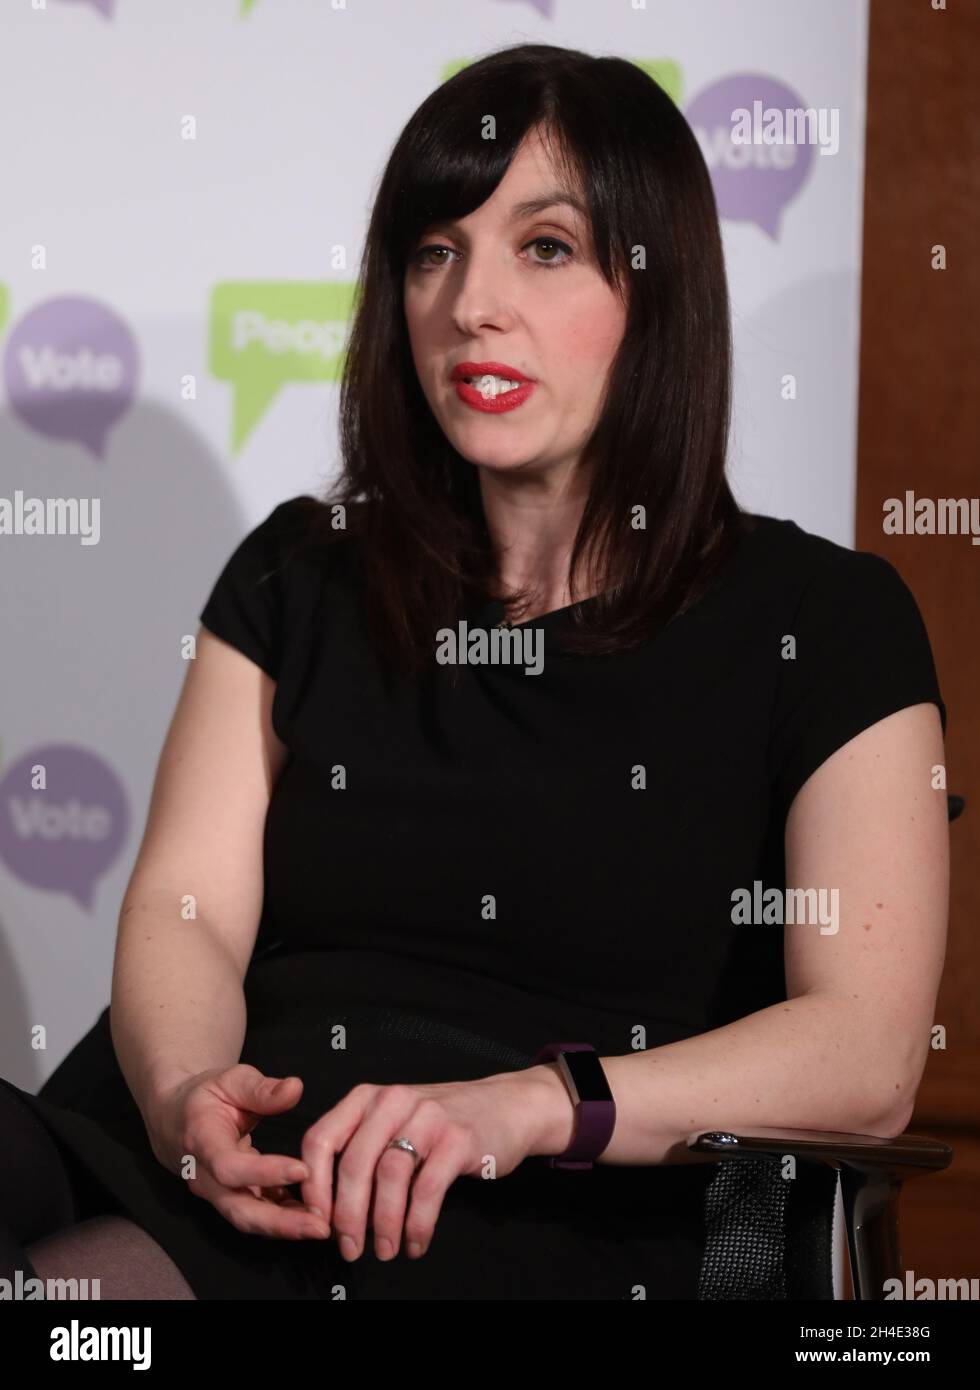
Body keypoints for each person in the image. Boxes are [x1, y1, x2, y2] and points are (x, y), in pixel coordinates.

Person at [0, 42, 949, 1301]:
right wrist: (185, 1094)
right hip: (207, 1156)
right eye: (434, 250)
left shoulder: (827, 621)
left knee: (79, 1310)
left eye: (543, 247)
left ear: (656, 288)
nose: (469, 304)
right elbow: (190, 910)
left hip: (524, 1205)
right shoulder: (302, 573)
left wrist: (531, 1106)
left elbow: (866, 1053)